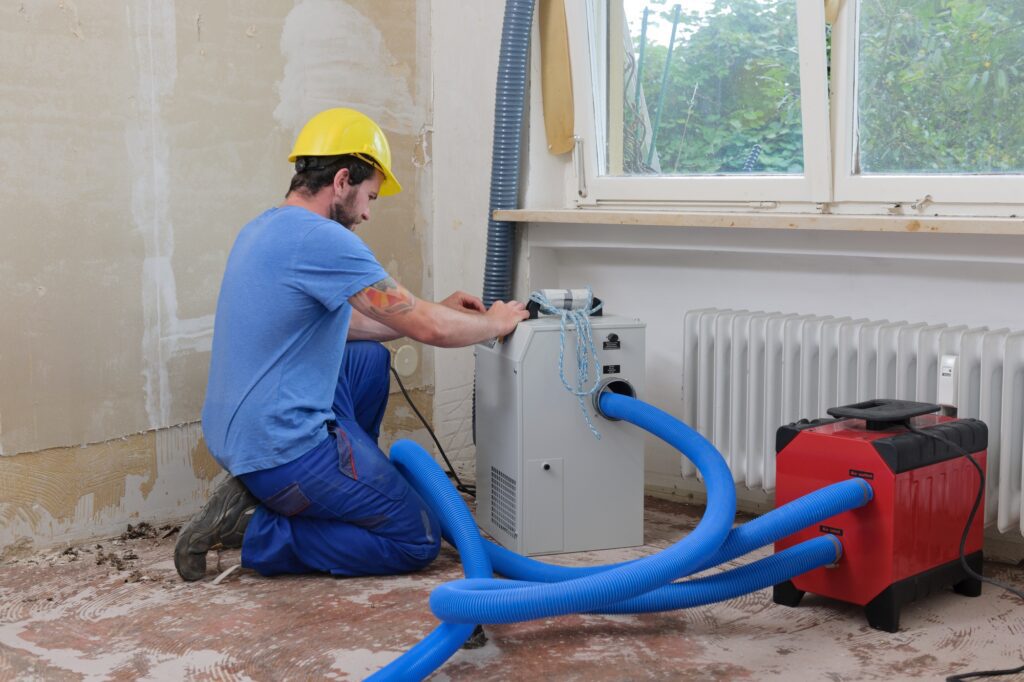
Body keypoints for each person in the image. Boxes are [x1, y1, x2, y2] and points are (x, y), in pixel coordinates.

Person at [174, 108, 528, 581]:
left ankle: (334, 491)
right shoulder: (324, 239)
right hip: (281, 449)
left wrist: (432, 307)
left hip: (238, 433)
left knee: (366, 361)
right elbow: (432, 330)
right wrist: (497, 322)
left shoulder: (264, 227)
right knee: (415, 537)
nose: (366, 213)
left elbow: (353, 325)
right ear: (342, 180)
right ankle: (262, 532)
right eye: (369, 197)